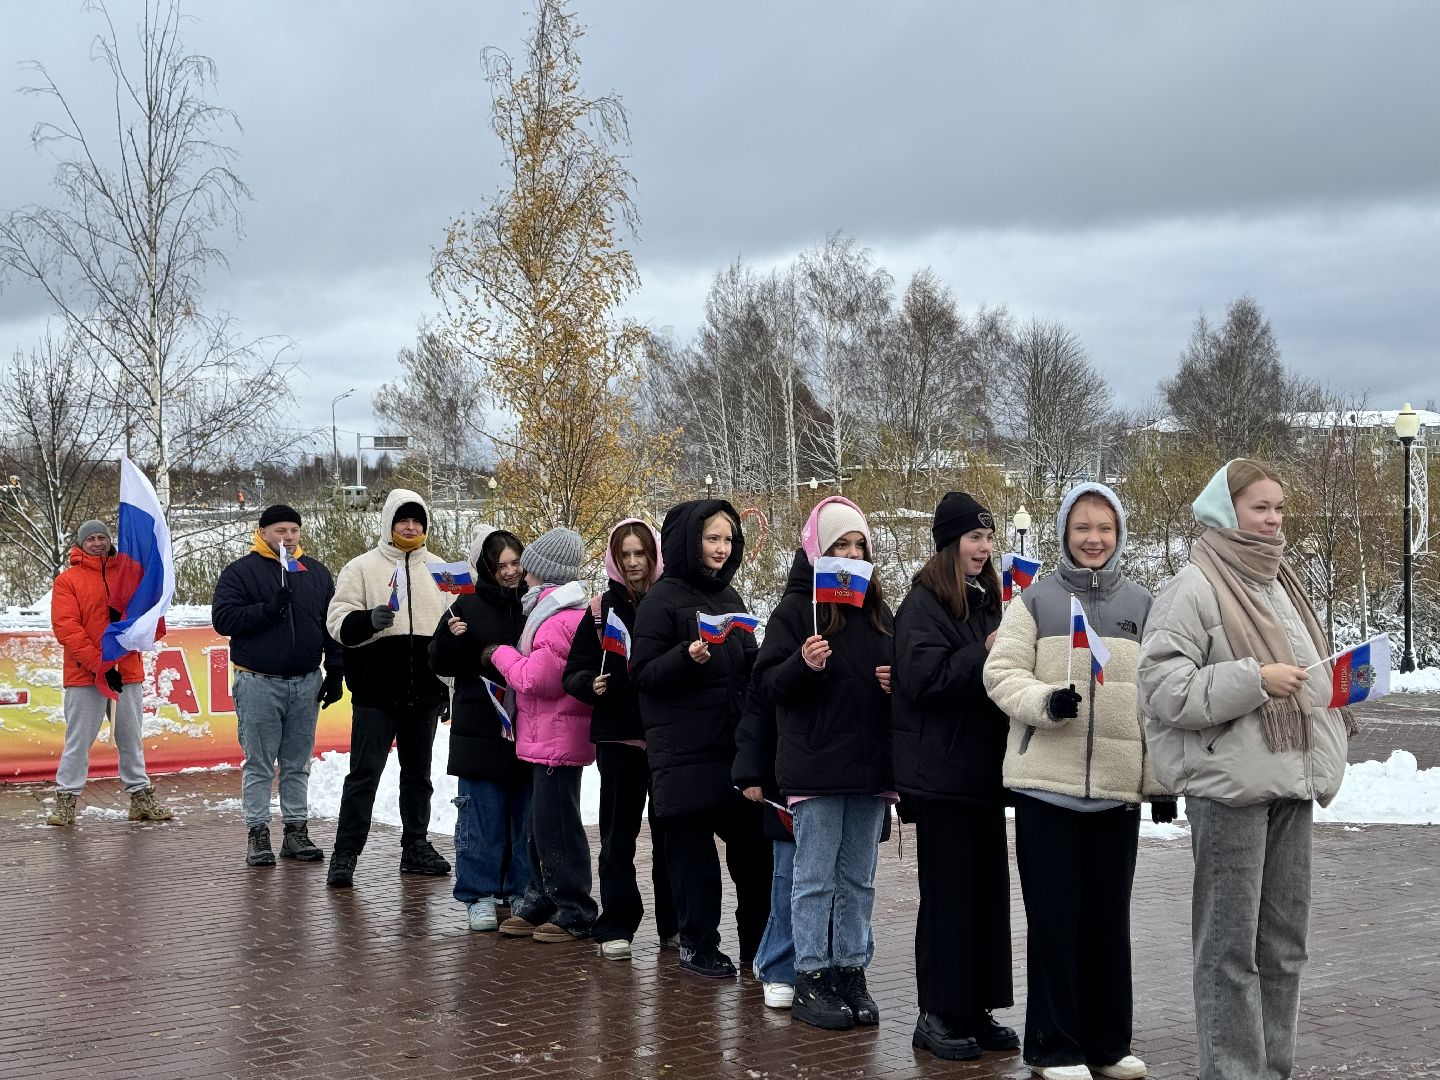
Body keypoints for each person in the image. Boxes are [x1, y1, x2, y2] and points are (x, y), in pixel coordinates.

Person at [1138, 459, 1353, 1080]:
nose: (1273, 520)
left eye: (1279, 508)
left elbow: (1303, 679)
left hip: (1292, 780)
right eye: (1261, 508)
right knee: (1230, 951)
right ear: (1227, 513)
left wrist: (1341, 684)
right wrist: (1253, 680)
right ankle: (1233, 1072)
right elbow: (1161, 688)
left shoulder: (1281, 583)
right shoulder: (1194, 586)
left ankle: (1272, 1069)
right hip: (1230, 790)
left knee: (1284, 948)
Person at [984, 483, 1168, 1080]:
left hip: (1116, 795)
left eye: (1105, 529)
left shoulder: (1145, 604)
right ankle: (1054, 1046)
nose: (1094, 539)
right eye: (1082, 528)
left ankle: (1109, 1045)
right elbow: (1001, 672)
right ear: (1064, 533)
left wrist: (1160, 783)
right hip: (1046, 788)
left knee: (1109, 925)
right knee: (1055, 922)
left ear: (1119, 535)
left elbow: (1158, 701)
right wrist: (1045, 702)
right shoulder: (1034, 603)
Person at [748, 496, 894, 1031]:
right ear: (816, 552)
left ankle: (851, 969)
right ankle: (810, 973)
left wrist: (894, 684)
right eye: (839, 546)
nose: (851, 554)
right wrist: (801, 664)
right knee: (813, 879)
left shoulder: (878, 611)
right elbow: (765, 687)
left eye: (859, 545)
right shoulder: (794, 611)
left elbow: (901, 677)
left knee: (859, 878)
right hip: (814, 767)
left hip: (870, 768)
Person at [892, 492, 1015, 1062]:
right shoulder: (922, 604)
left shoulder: (989, 600)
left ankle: (977, 1008)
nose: (984, 548)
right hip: (940, 777)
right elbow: (922, 680)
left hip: (983, 774)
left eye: (989, 539)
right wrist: (985, 652)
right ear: (949, 543)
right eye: (974, 538)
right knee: (946, 899)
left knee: (985, 896)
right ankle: (936, 1013)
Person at [631, 498, 772, 979]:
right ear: (689, 542)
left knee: (754, 857)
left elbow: (748, 668)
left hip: (732, 748)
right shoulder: (659, 601)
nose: (720, 547)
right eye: (711, 538)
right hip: (684, 752)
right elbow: (643, 673)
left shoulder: (731, 599)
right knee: (694, 861)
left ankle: (759, 942)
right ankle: (698, 943)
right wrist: (686, 657)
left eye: (728, 539)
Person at [324, 489, 453, 888]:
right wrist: (367, 621)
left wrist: (447, 687)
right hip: (375, 696)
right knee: (364, 775)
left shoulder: (442, 571)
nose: (410, 527)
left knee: (419, 776)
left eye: (417, 520)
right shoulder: (361, 568)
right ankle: (345, 853)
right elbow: (336, 621)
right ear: (388, 522)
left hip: (424, 697)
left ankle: (415, 845)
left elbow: (454, 631)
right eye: (403, 519)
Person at [562, 518, 679, 960]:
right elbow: (572, 670)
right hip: (618, 740)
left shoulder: (671, 600)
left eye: (640, 553)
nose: (633, 563)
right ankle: (617, 923)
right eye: (625, 554)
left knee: (672, 838)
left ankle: (675, 925)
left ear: (654, 555)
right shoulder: (599, 610)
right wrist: (587, 683)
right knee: (617, 838)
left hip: (666, 739)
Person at [212, 504, 344, 867]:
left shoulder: (314, 572)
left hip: (305, 681)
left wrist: (335, 671)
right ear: (263, 532)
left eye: (293, 531)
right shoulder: (241, 572)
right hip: (258, 681)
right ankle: (257, 832)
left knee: (298, 762)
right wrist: (267, 609)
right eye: (280, 531)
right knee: (259, 762)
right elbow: (223, 619)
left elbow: (331, 625)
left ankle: (295, 830)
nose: (288, 537)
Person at [488, 527, 598, 943]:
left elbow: (537, 679)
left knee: (557, 827)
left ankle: (574, 906)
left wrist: (499, 654)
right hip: (546, 737)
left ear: (543, 573)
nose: (522, 576)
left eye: (528, 568)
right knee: (540, 824)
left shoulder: (557, 622)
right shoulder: (550, 614)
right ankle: (542, 895)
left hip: (557, 739)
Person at [430, 525, 532, 932]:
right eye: (501, 565)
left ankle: (522, 888)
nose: (510, 571)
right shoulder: (464, 606)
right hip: (479, 724)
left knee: (524, 818)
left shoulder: (532, 603)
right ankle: (479, 894)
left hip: (526, 725)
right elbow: (438, 662)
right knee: (481, 817)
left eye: (515, 563)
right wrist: (455, 641)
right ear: (486, 569)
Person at [45, 519, 173, 826]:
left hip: (126, 671)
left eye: (102, 537)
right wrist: (100, 664)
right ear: (80, 544)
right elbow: (67, 628)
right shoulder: (68, 581)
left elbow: (151, 620)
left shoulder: (129, 575)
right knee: (78, 740)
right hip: (83, 674)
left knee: (130, 739)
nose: (98, 543)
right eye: (91, 539)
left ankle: (140, 797)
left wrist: (134, 623)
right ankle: (66, 800)